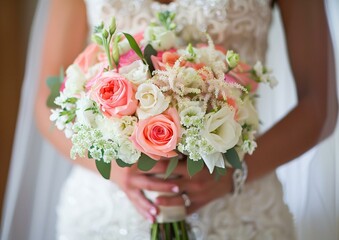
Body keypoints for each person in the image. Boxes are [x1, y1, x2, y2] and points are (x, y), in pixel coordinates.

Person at [2, 0, 338, 239]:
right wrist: (119, 172)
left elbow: (319, 107)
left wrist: (234, 173)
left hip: (240, 211)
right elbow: (49, 105)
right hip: (108, 206)